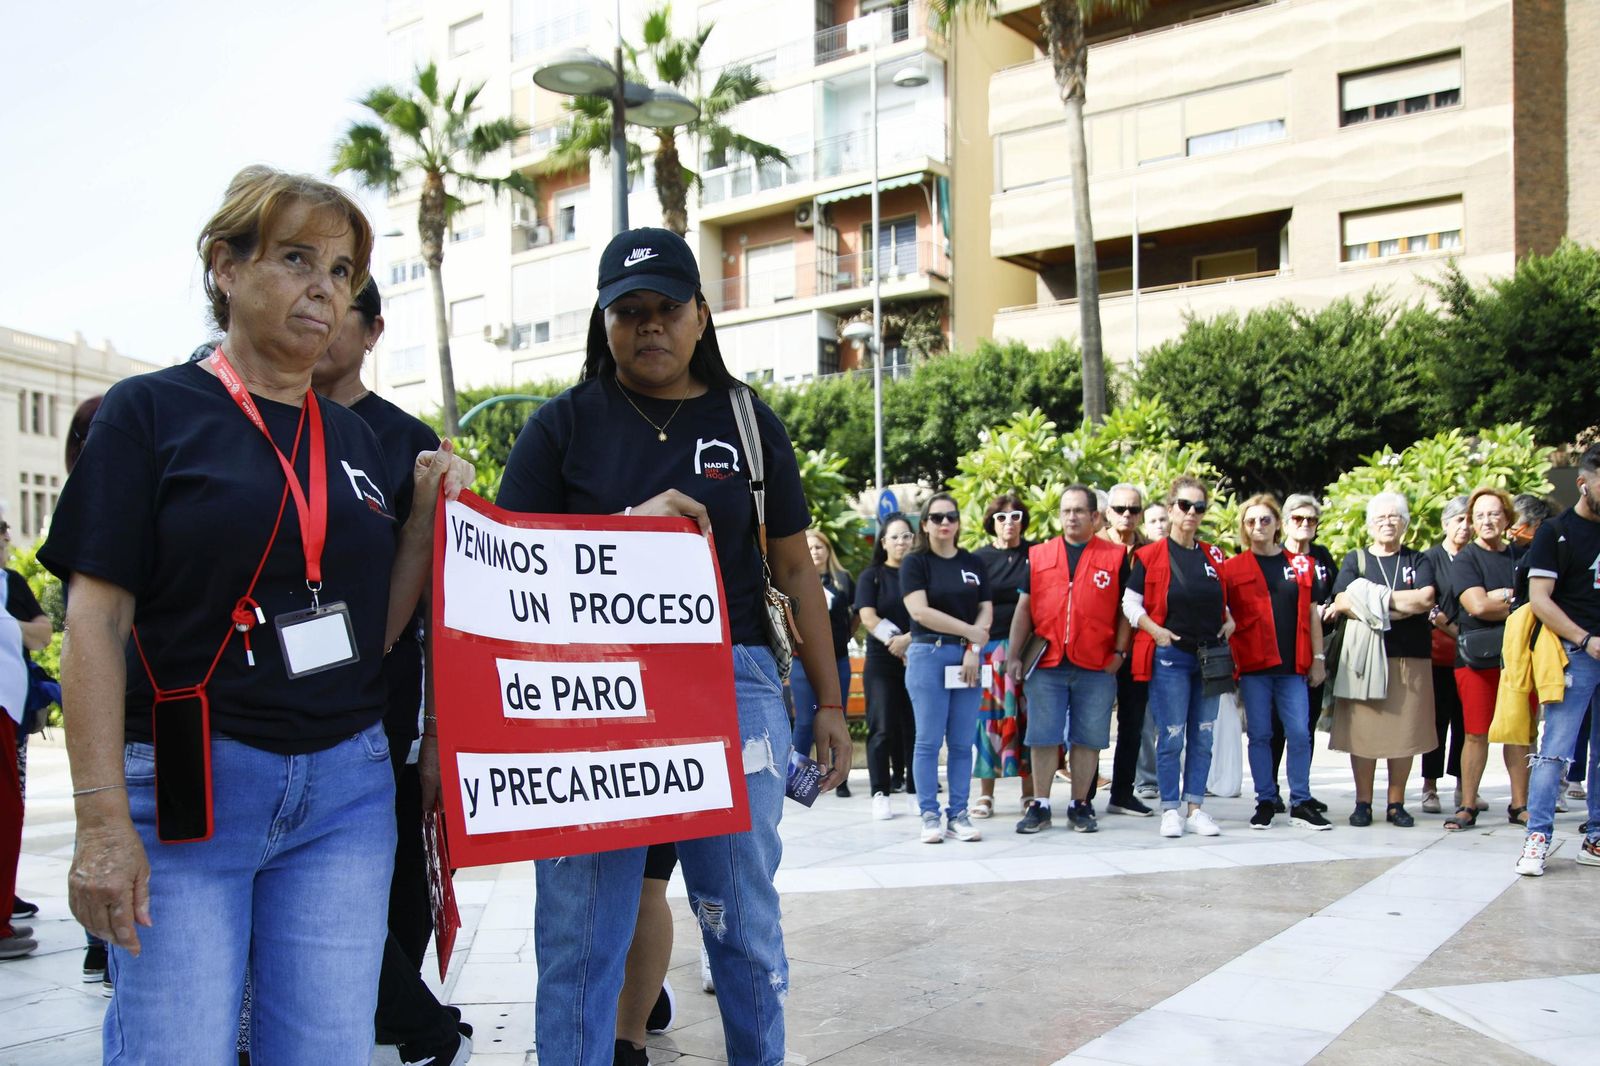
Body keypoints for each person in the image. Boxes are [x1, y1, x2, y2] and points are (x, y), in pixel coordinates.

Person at [38, 166, 473, 1061]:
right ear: (226, 267)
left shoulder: (355, 439)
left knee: (326, 1050)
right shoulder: (149, 413)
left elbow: (375, 634)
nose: (324, 288)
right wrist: (101, 822)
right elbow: (95, 626)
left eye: (342, 271)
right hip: (193, 789)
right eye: (297, 259)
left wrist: (422, 520)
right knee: (178, 1047)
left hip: (346, 793)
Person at [486, 226, 850, 1065]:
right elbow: (506, 570)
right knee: (581, 934)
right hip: (592, 699)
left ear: (701, 315)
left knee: (742, 919)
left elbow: (795, 567)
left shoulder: (748, 422)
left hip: (732, 684)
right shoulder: (561, 427)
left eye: (668, 307)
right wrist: (624, 528)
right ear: (605, 321)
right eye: (629, 311)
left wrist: (829, 701)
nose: (650, 325)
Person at [309, 279, 472, 1066]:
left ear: (374, 330)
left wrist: (437, 730)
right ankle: (407, 1023)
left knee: (396, 881)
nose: (318, 314)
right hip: (268, 710)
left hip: (385, 709)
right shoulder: (248, 421)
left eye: (341, 304)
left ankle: (402, 1025)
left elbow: (443, 603)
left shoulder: (410, 444)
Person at [1007, 486, 1130, 834]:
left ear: (1095, 516)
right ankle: (1040, 804)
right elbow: (1023, 609)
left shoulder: (1116, 557)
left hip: (1096, 663)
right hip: (1047, 663)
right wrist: (1014, 656)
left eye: (1079, 511)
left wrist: (1120, 653)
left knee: (1088, 737)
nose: (1071, 517)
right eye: (1066, 511)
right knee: (1042, 735)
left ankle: (1080, 804)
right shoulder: (1039, 554)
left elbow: (1126, 610)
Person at [1123, 476, 1234, 839]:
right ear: (1171, 509)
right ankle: (1170, 808)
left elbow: (1221, 597)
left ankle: (1195, 808)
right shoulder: (1150, 555)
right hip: (1171, 656)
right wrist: (1155, 631)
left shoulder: (1214, 555)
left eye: (1199, 507)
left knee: (1203, 735)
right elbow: (1130, 603)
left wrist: (1229, 618)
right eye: (1184, 505)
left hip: (1210, 657)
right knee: (1171, 735)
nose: (1191, 513)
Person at [1515, 443, 1600, 875]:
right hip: (1574, 652)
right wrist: (1585, 640)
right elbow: (1540, 599)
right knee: (1555, 751)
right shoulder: (1555, 531)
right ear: (1583, 483)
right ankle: (1538, 837)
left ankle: (1596, 837)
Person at [1329, 492, 1437, 829]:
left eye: (1394, 517)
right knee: (1363, 733)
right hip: (1365, 659)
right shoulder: (1356, 559)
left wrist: (1373, 602)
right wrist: (1396, 606)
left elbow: (1425, 599)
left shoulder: (1417, 559)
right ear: (1369, 524)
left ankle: (1396, 803)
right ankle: (1363, 802)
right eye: (1380, 518)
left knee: (1404, 732)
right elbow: (1343, 601)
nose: (1387, 523)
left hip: (1410, 657)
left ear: (1405, 523)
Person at [1223, 495, 1330, 831]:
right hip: (1254, 665)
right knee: (1260, 735)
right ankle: (1266, 799)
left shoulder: (1301, 565)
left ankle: (1301, 800)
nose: (1258, 526)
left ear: (1277, 524)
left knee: (1299, 732)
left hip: (1292, 666)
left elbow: (1313, 615)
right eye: (1251, 521)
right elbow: (1221, 611)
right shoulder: (1232, 569)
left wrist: (1318, 659)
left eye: (1265, 519)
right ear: (1244, 527)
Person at [901, 493, 992, 843]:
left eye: (951, 516)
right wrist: (969, 631)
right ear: (925, 524)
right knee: (928, 740)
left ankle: (959, 813)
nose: (944, 523)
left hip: (967, 657)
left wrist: (973, 647)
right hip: (929, 653)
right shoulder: (915, 562)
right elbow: (920, 612)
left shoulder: (973, 562)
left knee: (962, 741)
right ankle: (929, 814)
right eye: (937, 517)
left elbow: (985, 610)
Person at [1, 516, 52, 961]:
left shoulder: (10, 583)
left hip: (11, 714)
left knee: (10, 804)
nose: (5, 544)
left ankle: (5, 897)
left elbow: (43, 634)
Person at [1274, 493, 1337, 814]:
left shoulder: (1322, 556)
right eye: (1298, 519)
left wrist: (1331, 608)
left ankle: (1302, 791)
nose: (1305, 525)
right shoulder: (1275, 555)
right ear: (1285, 522)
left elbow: (1337, 592)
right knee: (1275, 727)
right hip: (1281, 651)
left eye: (1311, 520)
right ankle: (1269, 790)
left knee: (1306, 725)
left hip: (1316, 649)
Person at [972, 495, 1033, 819]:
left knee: (1029, 719)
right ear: (991, 522)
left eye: (1015, 516)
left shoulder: (1036, 554)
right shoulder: (978, 559)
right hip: (990, 651)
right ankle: (986, 795)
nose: (1009, 522)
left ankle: (1030, 794)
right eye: (1001, 517)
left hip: (1029, 650)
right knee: (988, 722)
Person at [1098, 483, 1153, 817]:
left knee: (1132, 724)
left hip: (1137, 648)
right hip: (1097, 648)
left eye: (1133, 510)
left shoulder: (1149, 550)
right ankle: (1083, 794)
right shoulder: (1093, 547)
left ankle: (1122, 793)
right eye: (1120, 509)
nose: (1127, 516)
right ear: (1108, 513)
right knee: (1090, 722)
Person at [858, 514, 917, 819]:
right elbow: (868, 617)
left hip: (918, 658)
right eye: (894, 537)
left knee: (915, 729)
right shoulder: (872, 576)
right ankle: (880, 791)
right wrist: (898, 643)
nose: (900, 542)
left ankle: (916, 791)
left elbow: (929, 612)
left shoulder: (921, 573)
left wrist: (909, 641)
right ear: (883, 542)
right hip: (882, 662)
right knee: (881, 728)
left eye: (906, 536)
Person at [790, 530, 856, 798]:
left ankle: (839, 778)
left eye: (819, 547)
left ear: (828, 550)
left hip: (838, 659)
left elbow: (856, 615)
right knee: (806, 720)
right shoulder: (795, 579)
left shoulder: (842, 579)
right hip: (802, 661)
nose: (815, 551)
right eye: (810, 547)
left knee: (836, 717)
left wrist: (843, 637)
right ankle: (796, 782)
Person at [1422, 497, 1471, 818]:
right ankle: (1430, 785)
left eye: (1469, 520)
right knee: (1436, 721)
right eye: (1459, 520)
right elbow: (1429, 606)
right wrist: (1454, 630)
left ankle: (1464, 785)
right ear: (1445, 524)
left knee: (1467, 723)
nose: (1465, 527)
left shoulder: (1476, 556)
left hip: (1471, 654)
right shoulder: (1430, 558)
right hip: (1438, 654)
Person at [1133, 501, 1172, 799]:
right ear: (1145, 527)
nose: (1159, 525)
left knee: (1176, 720)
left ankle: (1177, 777)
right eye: (1153, 521)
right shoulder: (1141, 558)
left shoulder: (1194, 554)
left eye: (1163, 519)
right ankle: (1147, 778)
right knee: (1145, 719)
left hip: (1181, 648)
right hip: (1145, 647)